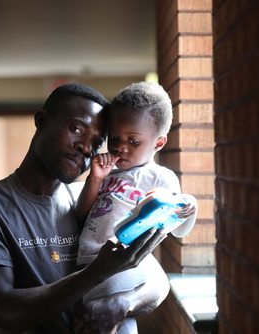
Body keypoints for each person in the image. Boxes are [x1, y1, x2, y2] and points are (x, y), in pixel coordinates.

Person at [0, 83, 170, 334]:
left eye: (97, 142)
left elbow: (158, 282)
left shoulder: (94, 204)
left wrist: (121, 303)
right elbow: (2, 313)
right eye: (77, 129)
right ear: (41, 121)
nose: (86, 147)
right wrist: (98, 271)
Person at [74, 82, 197, 330]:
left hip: (124, 267)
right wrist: (95, 179)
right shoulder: (107, 174)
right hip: (88, 264)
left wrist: (188, 207)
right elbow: (81, 216)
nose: (121, 147)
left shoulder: (160, 179)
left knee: (114, 320)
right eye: (115, 138)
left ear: (158, 143)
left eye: (134, 141)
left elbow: (176, 229)